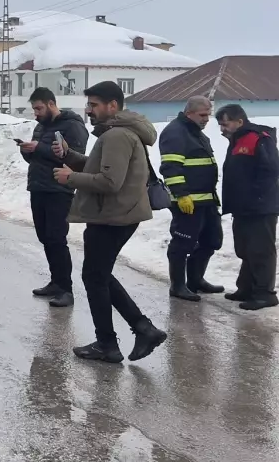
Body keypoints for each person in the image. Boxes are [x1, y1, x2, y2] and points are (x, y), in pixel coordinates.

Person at [52, 81, 167, 363]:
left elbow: (110, 181)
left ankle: (108, 343)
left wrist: (70, 178)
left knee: (95, 277)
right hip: (117, 214)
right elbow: (101, 167)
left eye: (94, 105)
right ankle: (143, 329)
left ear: (112, 105)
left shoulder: (117, 135)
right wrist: (70, 156)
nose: (88, 110)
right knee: (98, 275)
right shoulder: (119, 132)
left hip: (113, 216)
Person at [20, 87, 89, 309]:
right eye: (34, 109)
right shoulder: (41, 126)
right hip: (38, 187)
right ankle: (55, 282)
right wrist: (27, 150)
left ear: (51, 104)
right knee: (45, 237)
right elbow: (37, 158)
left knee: (57, 238)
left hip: (59, 189)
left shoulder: (72, 125)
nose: (36, 113)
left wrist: (39, 147)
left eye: (39, 108)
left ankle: (66, 289)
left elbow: (74, 159)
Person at [159, 96, 223, 301]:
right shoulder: (175, 132)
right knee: (182, 244)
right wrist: (181, 195)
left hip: (207, 200)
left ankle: (195, 280)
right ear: (189, 113)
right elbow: (170, 167)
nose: (206, 119)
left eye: (208, 115)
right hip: (188, 202)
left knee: (211, 240)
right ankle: (177, 285)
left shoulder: (196, 133)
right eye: (202, 115)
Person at [217, 104, 279, 310]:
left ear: (239, 121)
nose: (222, 129)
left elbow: (271, 171)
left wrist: (257, 197)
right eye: (220, 125)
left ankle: (265, 294)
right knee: (245, 249)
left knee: (261, 250)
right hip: (243, 208)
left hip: (260, 207)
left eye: (225, 124)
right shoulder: (237, 140)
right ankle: (246, 288)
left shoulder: (259, 138)